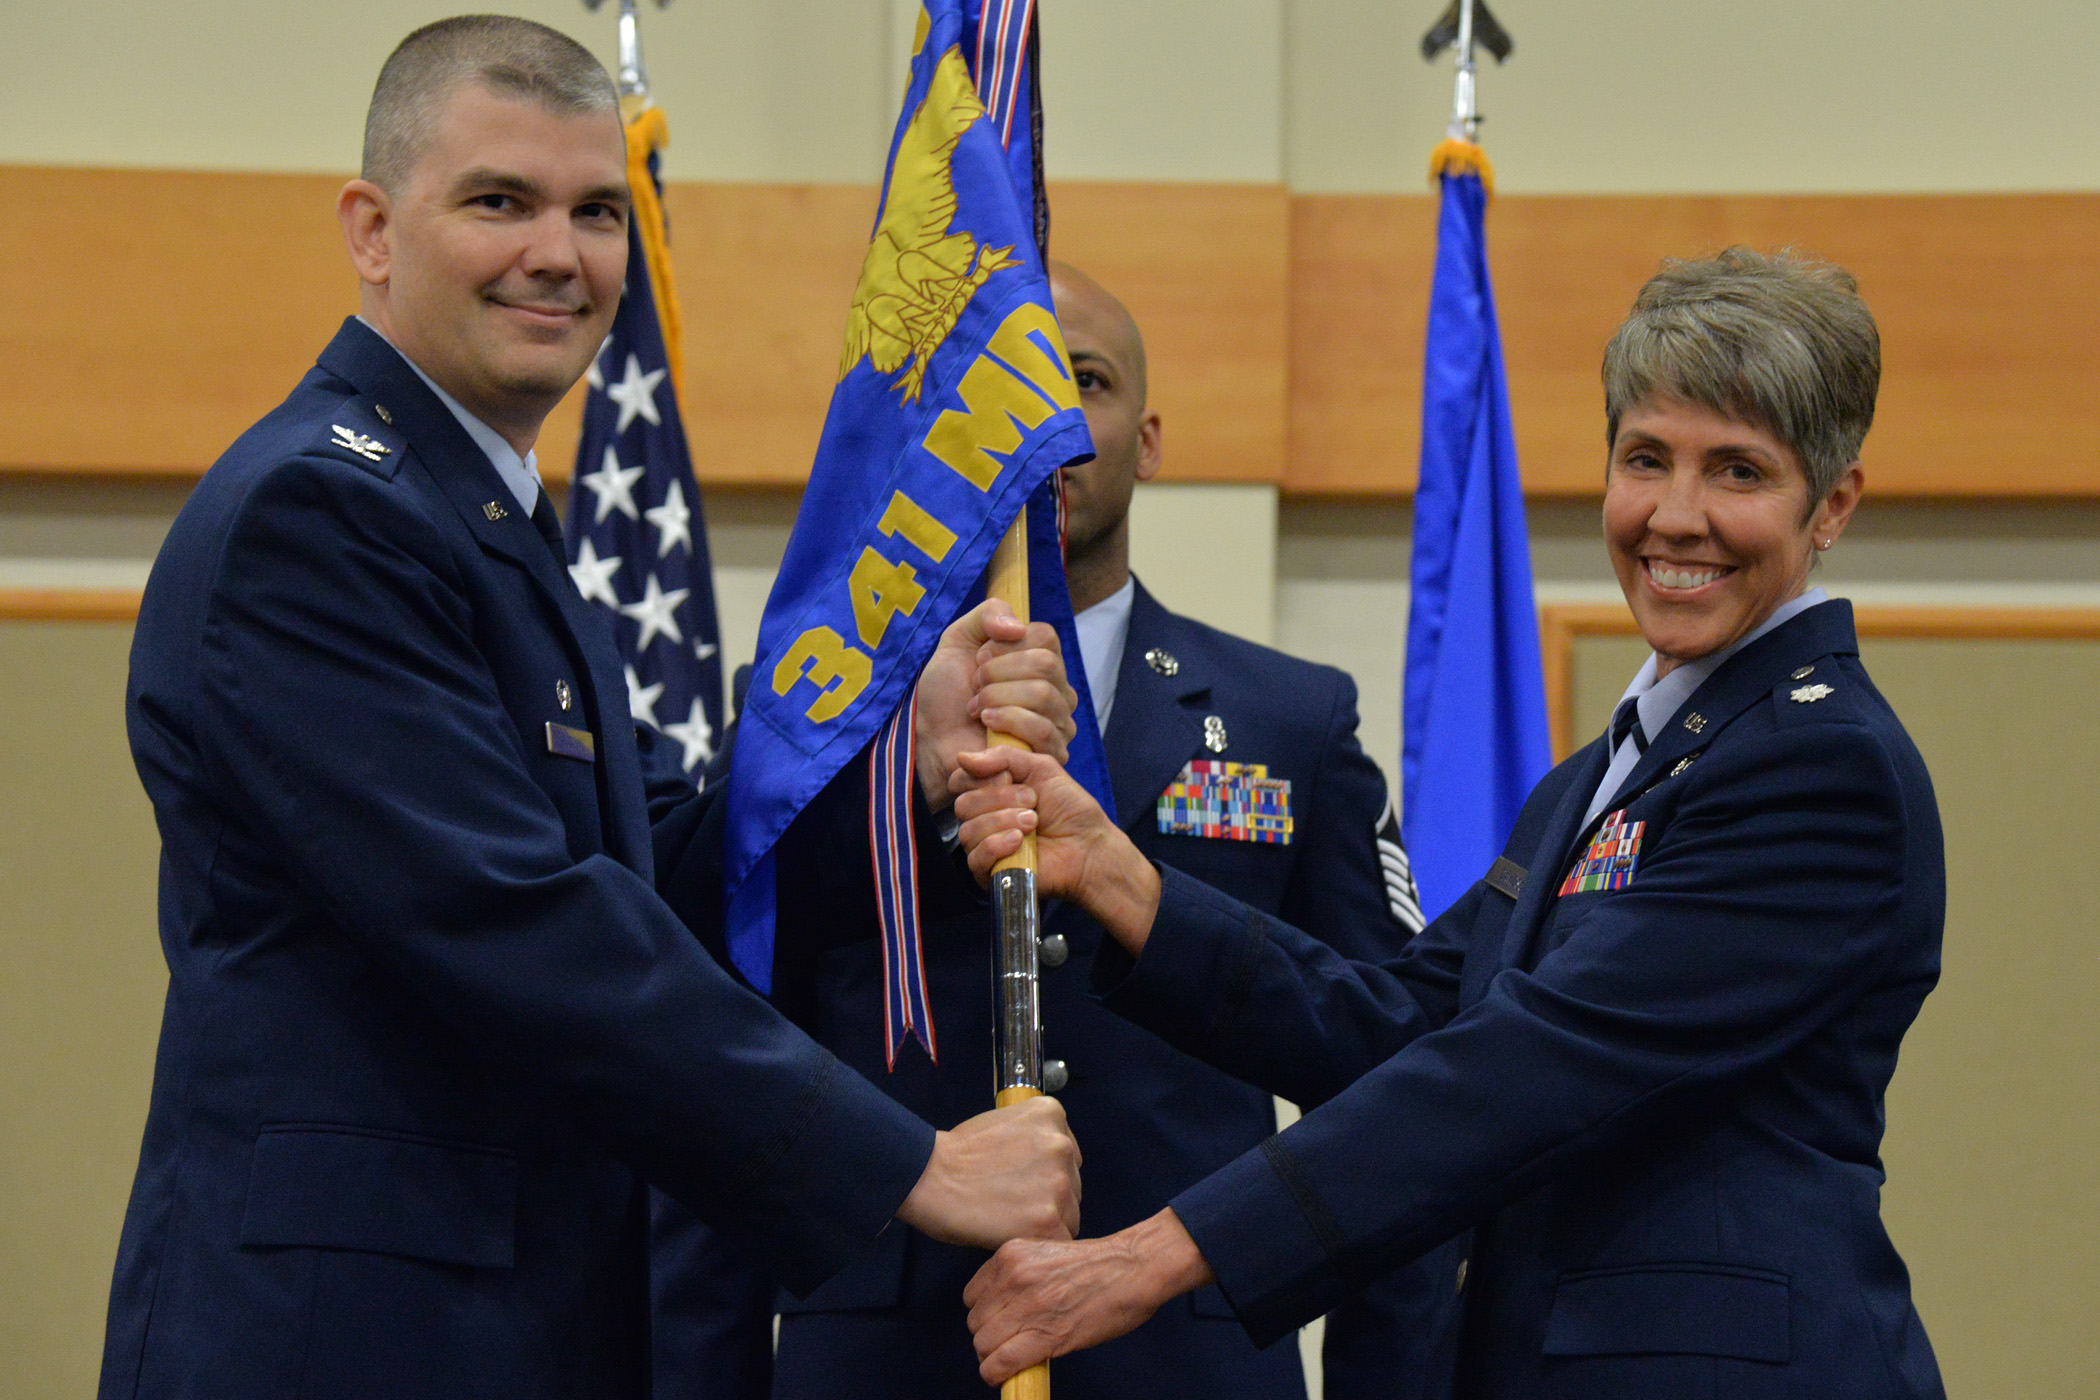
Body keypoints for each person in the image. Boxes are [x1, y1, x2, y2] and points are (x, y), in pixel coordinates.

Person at [103, 19, 1083, 1400]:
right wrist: (904, 1163)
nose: (557, 254)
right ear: (371, 230)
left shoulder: (479, 511)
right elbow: (519, 922)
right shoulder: (317, 513)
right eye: (499, 201)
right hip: (348, 1335)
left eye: (597, 213)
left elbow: (644, 875)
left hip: (497, 1325)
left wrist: (902, 757)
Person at [953, 248, 1948, 1399]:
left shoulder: (1820, 763)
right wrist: (1119, 877)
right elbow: (1403, 1025)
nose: (1677, 516)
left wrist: (1149, 1257)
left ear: (1832, 504)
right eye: (1646, 458)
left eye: (1738, 470)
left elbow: (1523, 1068)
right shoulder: (1596, 777)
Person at [650, 263, 1454, 1400]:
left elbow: (1390, 1081)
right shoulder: (819, 716)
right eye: (1007, 383)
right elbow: (716, 1076)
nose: (1043, 417)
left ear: (1150, 438)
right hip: (881, 1363)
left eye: (1084, 380)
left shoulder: (1293, 718)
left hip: (1193, 1361)